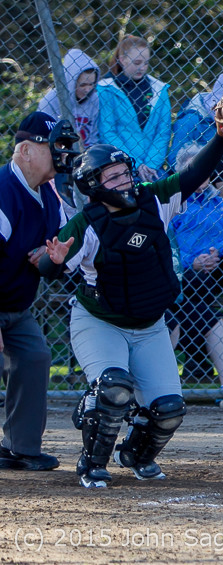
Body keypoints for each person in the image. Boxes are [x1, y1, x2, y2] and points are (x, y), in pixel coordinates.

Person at [38, 80, 223, 488]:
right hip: (100, 322)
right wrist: (51, 261)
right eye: (114, 176)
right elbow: (52, 270)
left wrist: (222, 137)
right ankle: (92, 462)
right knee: (113, 388)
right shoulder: (87, 223)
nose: (124, 180)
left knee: (170, 408)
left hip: (150, 324)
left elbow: (193, 174)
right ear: (94, 185)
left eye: (125, 172)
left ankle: (135, 454)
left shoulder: (152, 199)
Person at [0, 111, 79, 471]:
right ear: (26, 151)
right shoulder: (4, 191)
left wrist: (51, 259)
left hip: (15, 306)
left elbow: (65, 253)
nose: (60, 154)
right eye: (53, 147)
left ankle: (21, 447)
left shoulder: (48, 195)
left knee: (35, 357)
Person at [167, 145, 223, 390]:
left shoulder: (218, 202)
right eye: (194, 170)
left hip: (215, 269)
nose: (201, 175)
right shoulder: (173, 203)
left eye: (204, 170)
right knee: (204, 312)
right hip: (180, 274)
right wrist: (194, 261)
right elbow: (167, 245)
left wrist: (215, 253)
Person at [168, 74, 223, 212]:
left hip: (219, 169)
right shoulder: (192, 118)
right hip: (196, 170)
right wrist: (210, 152)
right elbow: (175, 157)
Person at [97, 34, 171, 183]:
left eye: (146, 63)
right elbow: (108, 132)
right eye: (137, 62)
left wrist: (150, 165)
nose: (142, 67)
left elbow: (163, 132)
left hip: (152, 169)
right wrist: (134, 163)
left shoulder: (159, 89)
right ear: (123, 60)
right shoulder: (106, 89)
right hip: (118, 165)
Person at [38, 48, 101, 148]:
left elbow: (93, 136)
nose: (87, 89)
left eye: (91, 84)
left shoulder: (94, 99)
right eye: (82, 85)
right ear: (71, 81)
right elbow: (44, 137)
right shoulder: (50, 101)